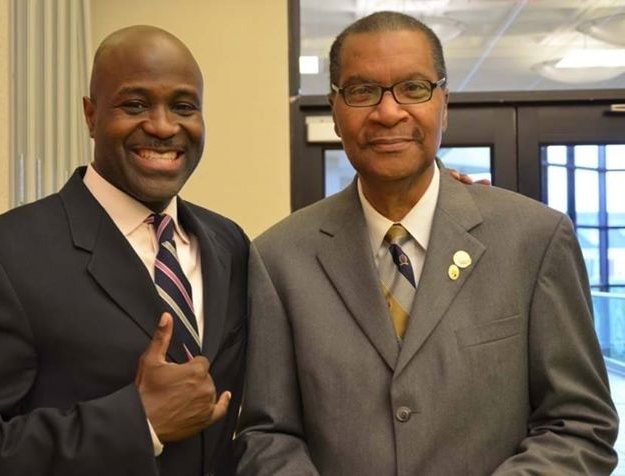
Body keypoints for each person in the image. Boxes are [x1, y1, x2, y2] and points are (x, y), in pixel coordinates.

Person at [235, 11, 618, 475]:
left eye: (413, 88)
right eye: (362, 91)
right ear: (335, 111)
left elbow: (578, 425)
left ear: (444, 105)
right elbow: (267, 435)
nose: (388, 112)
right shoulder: (279, 259)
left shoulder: (534, 240)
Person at [0, 26, 249, 475]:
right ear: (91, 115)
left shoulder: (230, 245)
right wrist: (137, 424)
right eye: (135, 105)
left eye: (183, 107)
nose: (163, 126)